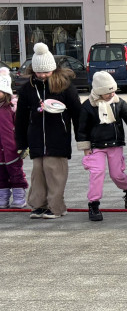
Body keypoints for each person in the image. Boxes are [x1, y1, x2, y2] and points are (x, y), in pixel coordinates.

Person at [14, 43, 83, 219]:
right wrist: (21, 143)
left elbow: (78, 114)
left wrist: (82, 139)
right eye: (39, 72)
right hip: (36, 138)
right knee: (38, 172)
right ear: (33, 71)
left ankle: (56, 207)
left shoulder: (65, 86)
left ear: (53, 68)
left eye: (46, 72)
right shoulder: (28, 88)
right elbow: (20, 118)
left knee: (54, 172)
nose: (43, 75)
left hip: (58, 137)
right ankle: (38, 205)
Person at [77, 71, 127, 222]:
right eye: (107, 92)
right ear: (98, 92)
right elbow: (81, 128)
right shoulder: (87, 107)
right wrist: (85, 146)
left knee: (116, 174)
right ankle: (94, 204)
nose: (112, 94)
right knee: (97, 173)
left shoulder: (119, 103)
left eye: (113, 91)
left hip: (115, 144)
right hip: (96, 146)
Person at [0, 67, 29, 209]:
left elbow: (21, 126)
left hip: (12, 148)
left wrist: (23, 144)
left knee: (16, 172)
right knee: (1, 175)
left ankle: (19, 197)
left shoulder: (11, 107)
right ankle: (3, 198)